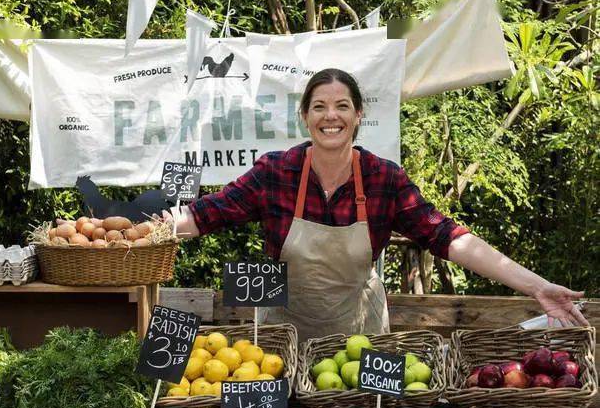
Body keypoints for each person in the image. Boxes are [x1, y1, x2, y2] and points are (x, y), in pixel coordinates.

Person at [167, 68, 588, 342]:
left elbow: (448, 238)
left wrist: (536, 286)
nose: (330, 116)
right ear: (304, 116)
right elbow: (206, 215)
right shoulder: (276, 172)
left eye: (341, 106)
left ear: (358, 115)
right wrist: (142, 234)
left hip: (359, 335)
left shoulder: (384, 179)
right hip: (282, 336)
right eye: (319, 107)